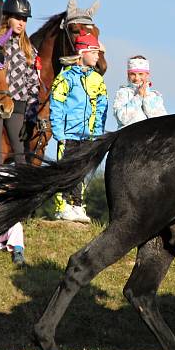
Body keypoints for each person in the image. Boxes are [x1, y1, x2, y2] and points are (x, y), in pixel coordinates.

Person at [50, 33, 108, 222]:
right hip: (68, 134)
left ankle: (77, 205)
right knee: (65, 169)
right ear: (82, 52)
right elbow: (56, 104)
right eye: (94, 52)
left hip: (88, 135)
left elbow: (101, 106)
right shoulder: (65, 77)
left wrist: (97, 132)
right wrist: (58, 132)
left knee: (82, 170)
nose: (97, 56)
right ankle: (62, 206)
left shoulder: (97, 79)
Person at [0, 0, 40, 165]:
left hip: (18, 105)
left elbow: (33, 84)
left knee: (21, 156)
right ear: (7, 18)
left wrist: (31, 117)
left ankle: (20, 191)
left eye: (24, 19)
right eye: (17, 18)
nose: (21, 23)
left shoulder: (30, 50)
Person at [113, 55, 167, 128]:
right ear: (128, 75)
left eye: (140, 74)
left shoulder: (154, 96)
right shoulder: (123, 93)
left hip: (150, 138)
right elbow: (122, 119)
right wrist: (138, 97)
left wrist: (146, 98)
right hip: (128, 137)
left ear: (147, 75)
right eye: (133, 74)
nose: (137, 78)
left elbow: (162, 122)